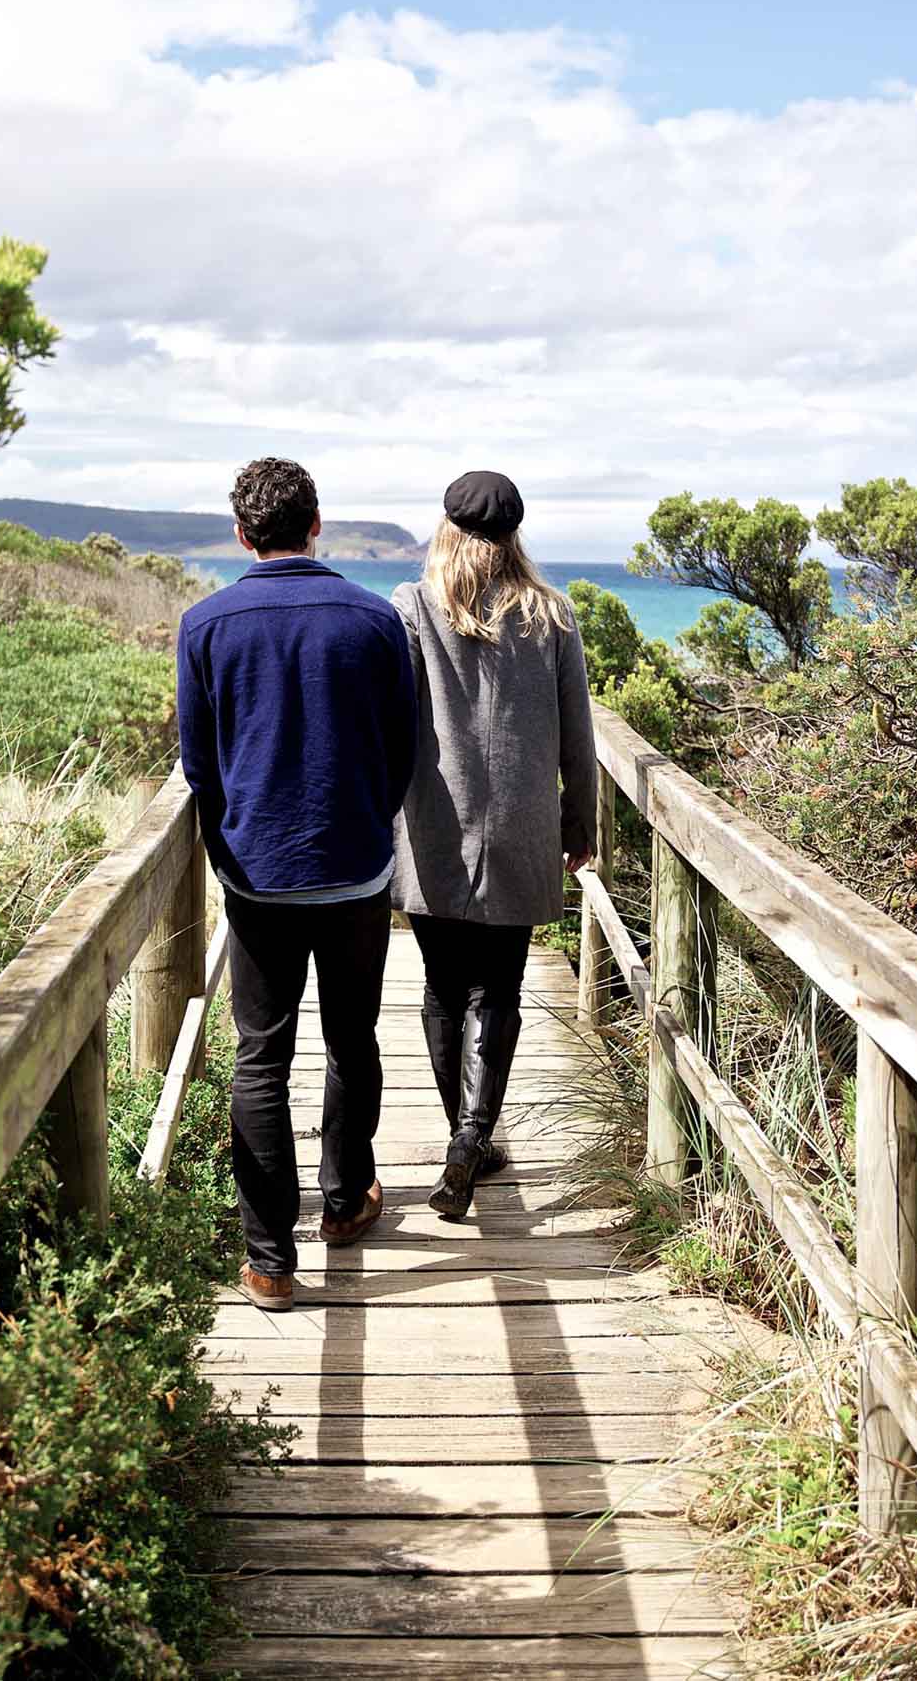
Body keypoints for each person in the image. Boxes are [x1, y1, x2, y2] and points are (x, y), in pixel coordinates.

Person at [177, 456, 418, 1311]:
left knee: (261, 1056)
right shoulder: (376, 621)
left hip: (257, 876)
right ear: (317, 524)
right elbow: (404, 750)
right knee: (353, 1040)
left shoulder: (204, 624)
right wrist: (365, 821)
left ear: (243, 534)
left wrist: (229, 847)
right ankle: (347, 1203)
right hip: (355, 870)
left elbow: (199, 764)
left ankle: (270, 1261)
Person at [391, 470, 596, 1219]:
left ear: (446, 530)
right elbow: (579, 736)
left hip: (432, 826)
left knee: (444, 990)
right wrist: (580, 827)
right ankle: (471, 1139)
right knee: (499, 989)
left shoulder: (410, 608)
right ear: (514, 537)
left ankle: (464, 1138)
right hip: (520, 826)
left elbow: (389, 725)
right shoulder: (553, 615)